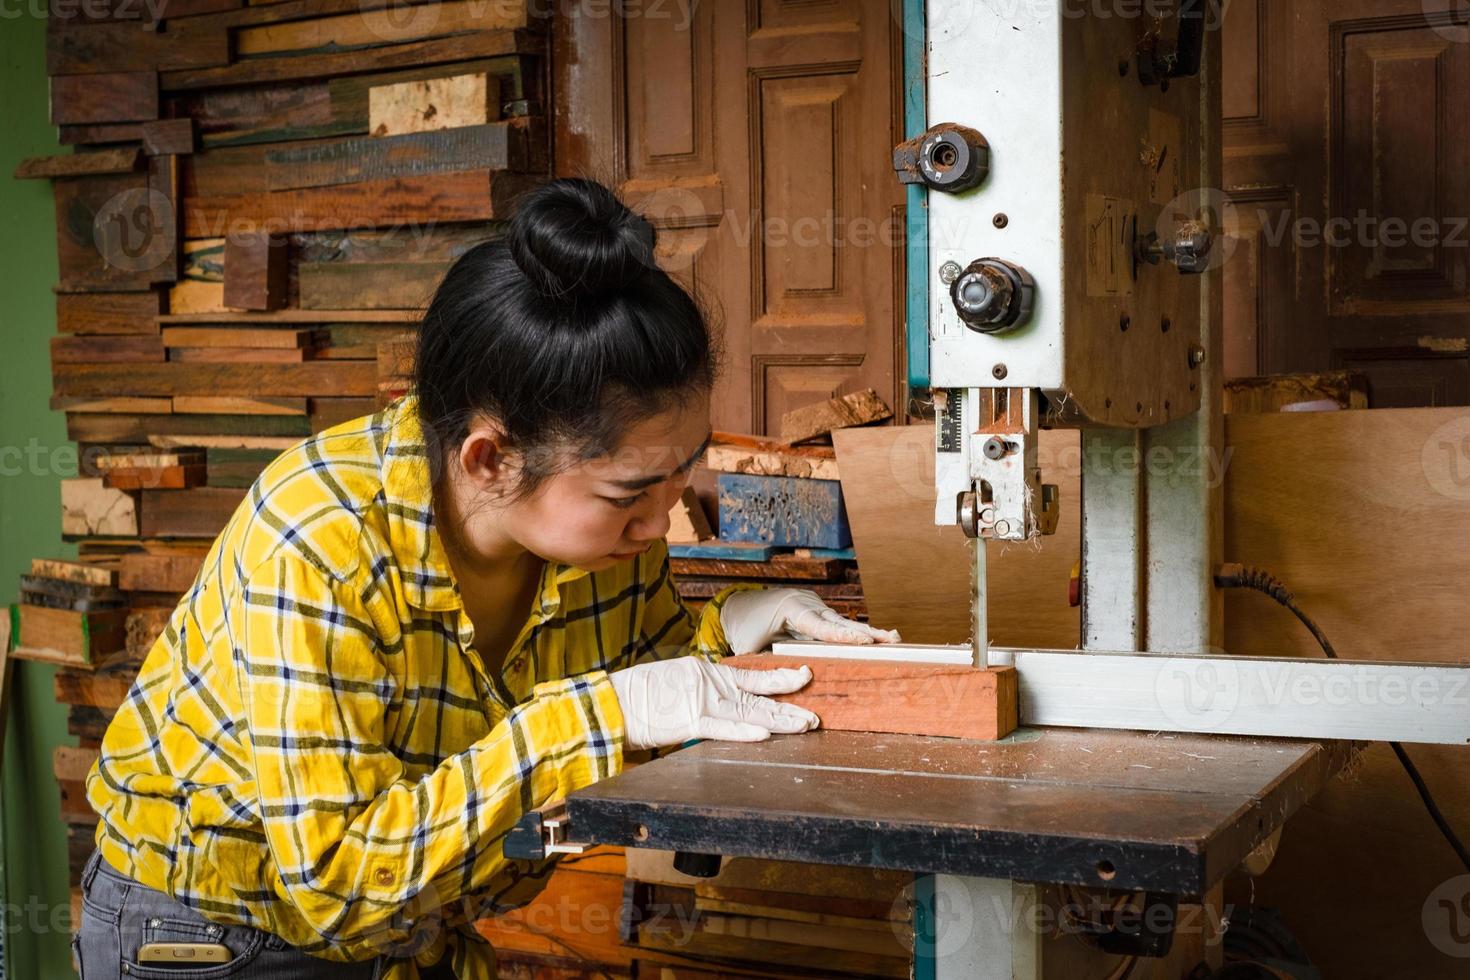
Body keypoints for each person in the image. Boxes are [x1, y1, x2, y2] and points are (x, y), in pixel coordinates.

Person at [78, 178, 901, 980]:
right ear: (491, 457)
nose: (660, 524)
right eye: (627, 494)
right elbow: (334, 883)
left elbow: (635, 671)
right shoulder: (321, 534)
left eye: (679, 476)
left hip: (415, 926)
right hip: (218, 935)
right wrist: (601, 716)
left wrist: (732, 637)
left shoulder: (603, 539)